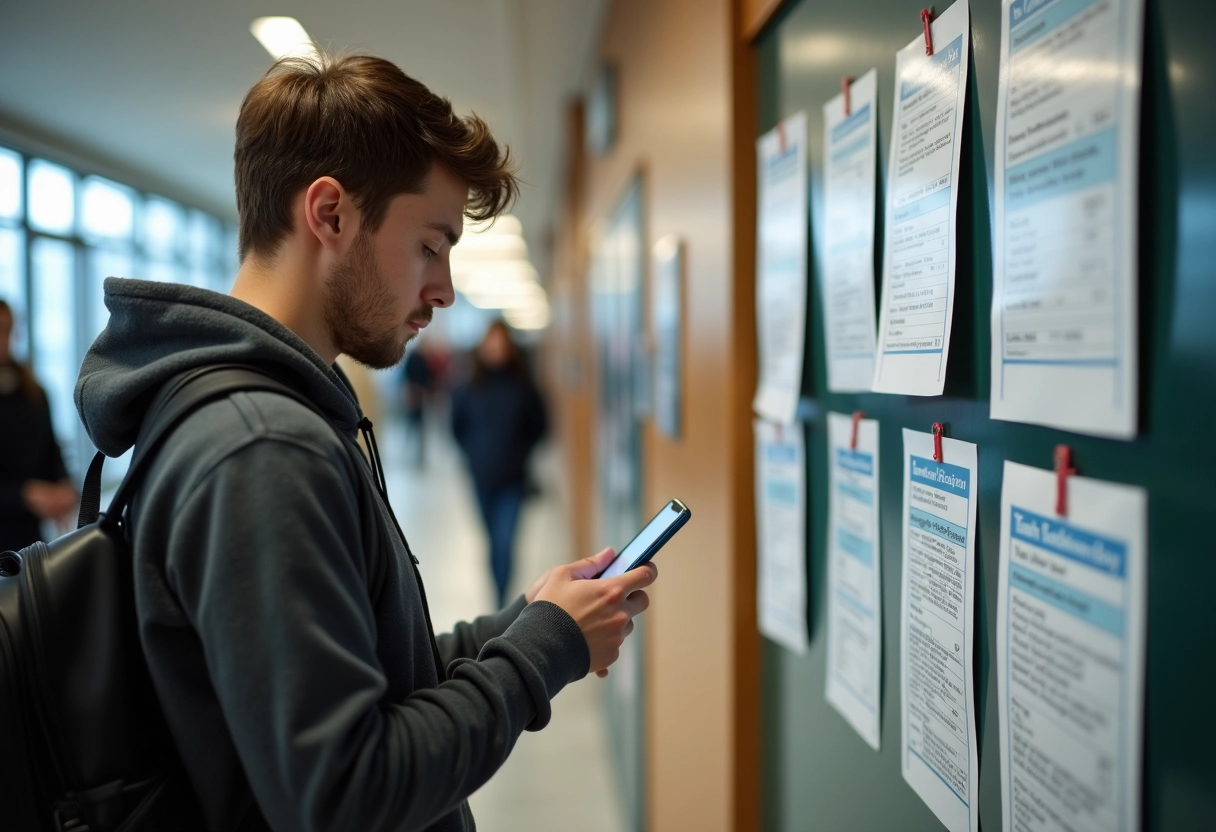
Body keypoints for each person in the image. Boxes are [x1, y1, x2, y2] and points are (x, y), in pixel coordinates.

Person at [74, 53, 656, 832]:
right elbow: (344, 796)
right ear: (331, 214)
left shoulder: (267, 418)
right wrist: (544, 654)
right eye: (430, 245)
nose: (445, 287)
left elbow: (372, 676)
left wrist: (530, 622)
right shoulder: (261, 448)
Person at [452, 320, 547, 610]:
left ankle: (501, 603)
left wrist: (520, 452)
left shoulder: (524, 386)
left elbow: (542, 426)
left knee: (505, 543)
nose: (496, 349)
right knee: (492, 542)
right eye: (491, 343)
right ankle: (498, 595)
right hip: (481, 477)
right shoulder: (469, 386)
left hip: (513, 479)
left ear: (510, 348)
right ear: (483, 348)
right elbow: (456, 426)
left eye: (501, 343)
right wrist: (472, 454)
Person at [0, 299, 77, 551]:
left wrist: (63, 484)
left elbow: (51, 449)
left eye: (6, 330)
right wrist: (23, 494)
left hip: (27, 540)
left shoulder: (33, 392)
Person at [401, 342, 435, 467]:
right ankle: (408, 451)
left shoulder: (420, 359)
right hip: (415, 394)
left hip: (419, 395)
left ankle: (416, 454)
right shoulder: (416, 358)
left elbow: (427, 376)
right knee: (411, 425)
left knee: (417, 426)